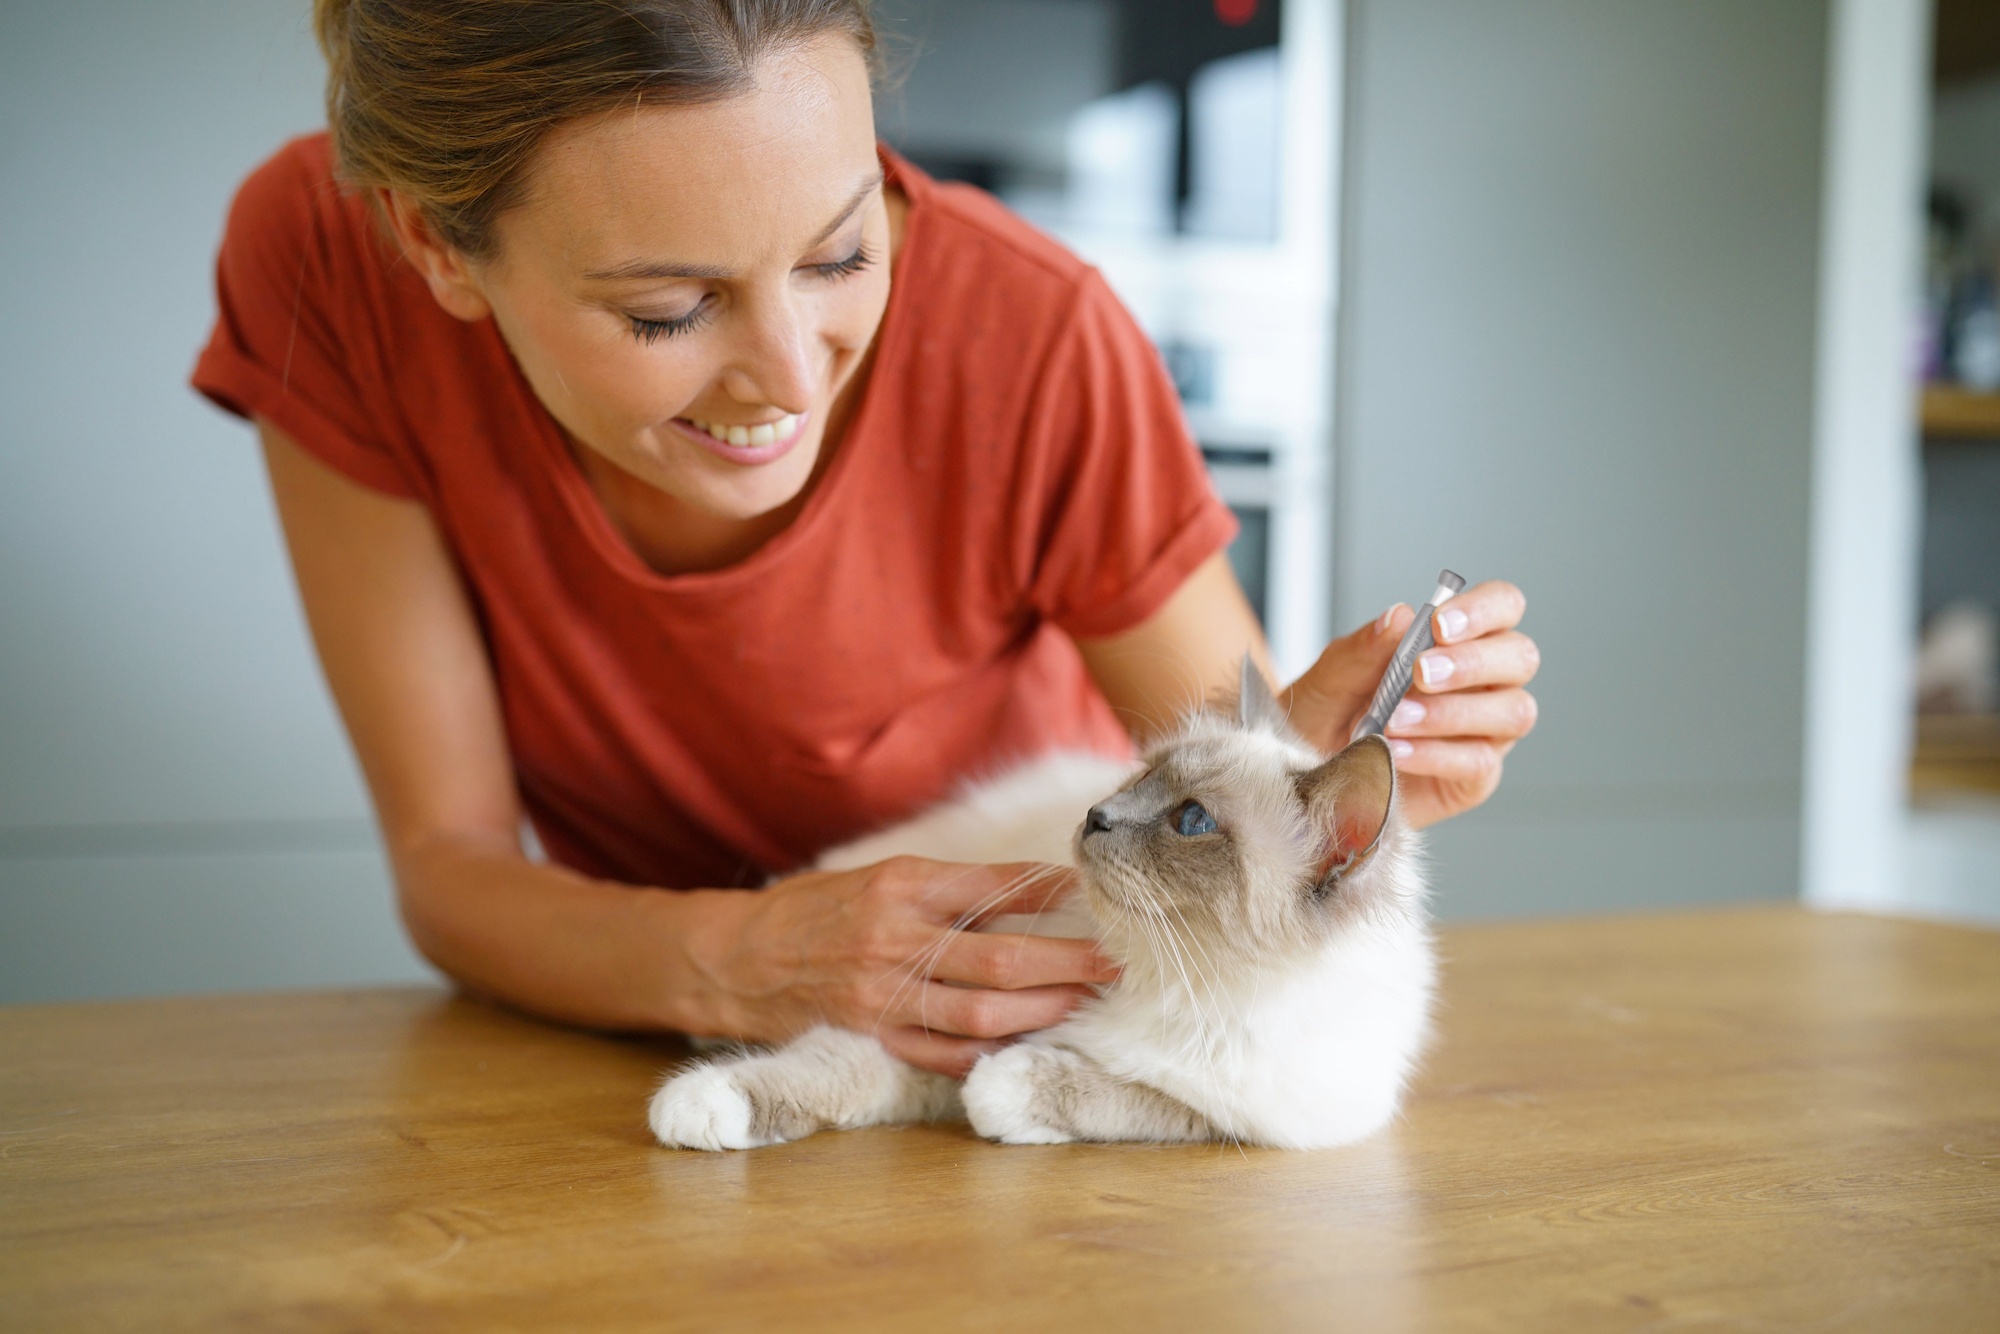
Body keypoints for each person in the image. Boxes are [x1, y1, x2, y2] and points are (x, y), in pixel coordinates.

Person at [192, 0, 1538, 1078]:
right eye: (669, 309)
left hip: (1003, 1063)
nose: (787, 376)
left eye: (841, 254)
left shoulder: (1035, 338)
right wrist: (742, 956)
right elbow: (451, 871)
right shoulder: (324, 256)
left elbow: (1258, 801)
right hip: (619, 1063)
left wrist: (1310, 798)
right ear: (435, 248)